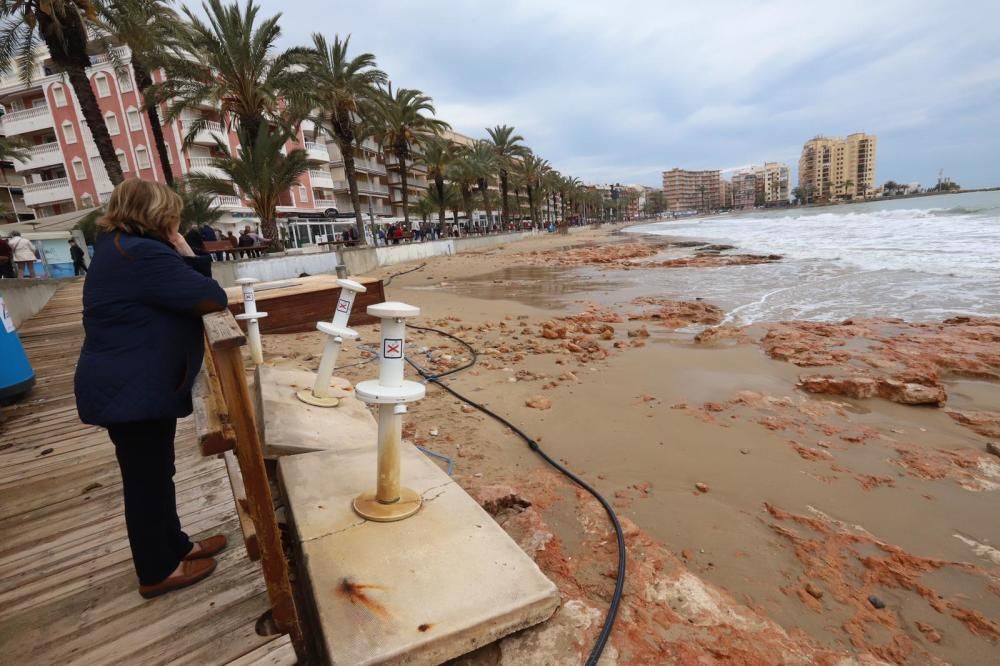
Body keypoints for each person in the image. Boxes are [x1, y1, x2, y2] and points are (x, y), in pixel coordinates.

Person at [74, 180, 229, 599]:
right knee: (146, 482)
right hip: (130, 387)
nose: (177, 221)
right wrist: (186, 250)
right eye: (173, 215)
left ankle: (175, 546)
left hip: (131, 383)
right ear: (159, 215)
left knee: (157, 474)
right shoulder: (141, 253)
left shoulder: (119, 247)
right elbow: (212, 298)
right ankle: (157, 570)